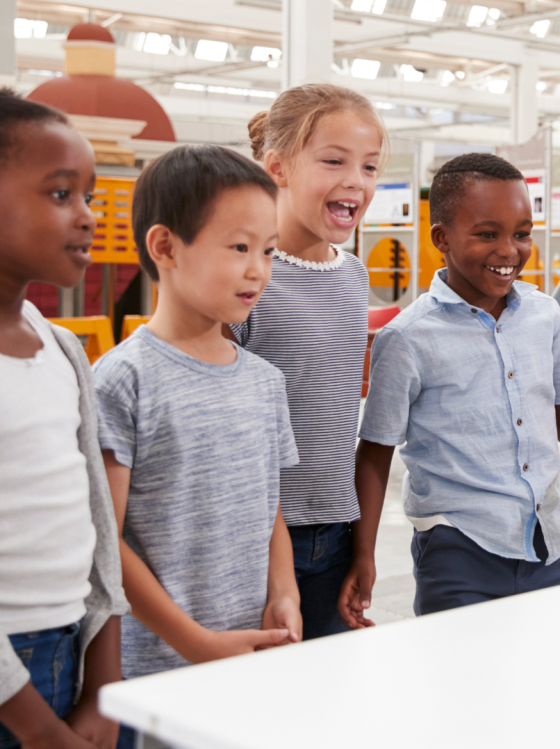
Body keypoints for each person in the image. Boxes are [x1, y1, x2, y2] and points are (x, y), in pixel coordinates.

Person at [92, 146, 302, 749]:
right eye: (239, 248)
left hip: (250, 656)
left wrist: (283, 595)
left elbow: (270, 512)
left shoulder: (264, 380)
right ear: (165, 247)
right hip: (158, 672)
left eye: (267, 251)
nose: (258, 270)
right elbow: (107, 539)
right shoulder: (122, 379)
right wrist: (194, 641)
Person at [356, 153, 560, 618]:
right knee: (460, 680)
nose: (510, 250)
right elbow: (375, 450)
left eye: (522, 233)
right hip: (458, 550)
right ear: (441, 238)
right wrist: (362, 554)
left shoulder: (546, 316)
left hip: (549, 541)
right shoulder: (407, 337)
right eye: (488, 234)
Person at [226, 83, 389, 639]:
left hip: (335, 531)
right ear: (278, 168)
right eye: (334, 161)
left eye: (369, 167)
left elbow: (341, 421)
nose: (356, 181)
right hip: (254, 533)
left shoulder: (354, 275)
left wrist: (361, 548)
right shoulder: (248, 276)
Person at [0, 89, 128, 749]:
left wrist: (103, 686)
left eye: (89, 197)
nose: (86, 218)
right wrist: (37, 728)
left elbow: (97, 521)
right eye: (59, 195)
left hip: (70, 649)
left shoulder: (62, 348)